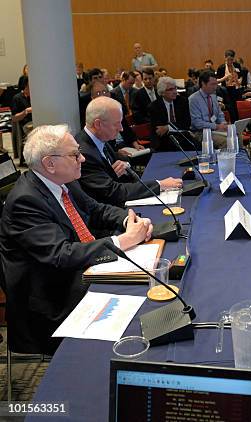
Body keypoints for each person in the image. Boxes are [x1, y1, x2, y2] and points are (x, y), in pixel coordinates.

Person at [0, 124, 153, 354]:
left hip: (77, 270)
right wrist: (123, 241)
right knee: (134, 292)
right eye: (74, 154)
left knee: (143, 279)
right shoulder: (26, 201)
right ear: (49, 163)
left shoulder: (64, 180)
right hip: (52, 297)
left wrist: (127, 220)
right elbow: (61, 255)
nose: (82, 158)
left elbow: (96, 209)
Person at [75, 96, 182, 207]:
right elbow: (112, 192)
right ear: (98, 124)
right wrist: (160, 185)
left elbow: (112, 174)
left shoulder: (100, 138)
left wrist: (122, 168)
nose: (121, 128)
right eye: (117, 123)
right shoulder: (84, 153)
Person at [148, 77, 191, 151]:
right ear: (162, 92)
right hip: (164, 140)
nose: (175, 92)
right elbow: (159, 130)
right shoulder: (154, 106)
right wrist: (170, 128)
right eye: (171, 89)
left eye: (175, 88)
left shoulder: (182, 101)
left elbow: (186, 123)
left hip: (182, 136)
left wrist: (168, 127)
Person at [189, 70, 228, 148]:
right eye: (212, 84)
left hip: (215, 130)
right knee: (226, 141)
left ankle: (238, 159)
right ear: (203, 83)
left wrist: (223, 123)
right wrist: (216, 126)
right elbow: (197, 123)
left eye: (216, 84)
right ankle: (224, 159)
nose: (215, 87)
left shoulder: (213, 96)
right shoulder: (193, 99)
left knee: (237, 136)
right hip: (200, 132)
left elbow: (219, 114)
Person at [216, 49, 242, 122]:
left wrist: (238, 80)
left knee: (237, 108)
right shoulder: (221, 68)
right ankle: (232, 124)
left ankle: (238, 123)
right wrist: (225, 77)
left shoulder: (237, 65)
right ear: (225, 57)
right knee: (231, 108)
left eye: (231, 60)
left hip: (236, 89)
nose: (230, 62)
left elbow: (241, 76)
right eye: (228, 60)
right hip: (226, 90)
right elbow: (217, 81)